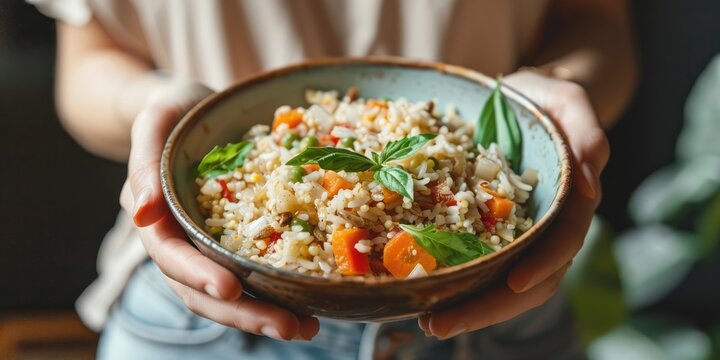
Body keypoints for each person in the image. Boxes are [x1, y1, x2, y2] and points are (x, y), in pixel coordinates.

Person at [31, 0, 635, 358]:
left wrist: (553, 94)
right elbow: (89, 62)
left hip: (501, 310)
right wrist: (159, 105)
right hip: (203, 306)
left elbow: (596, 21)